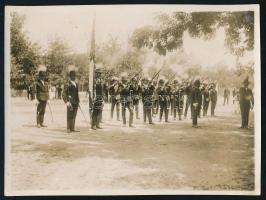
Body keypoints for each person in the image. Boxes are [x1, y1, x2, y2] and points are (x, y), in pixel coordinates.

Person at [62, 66, 80, 133]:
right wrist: (66, 102)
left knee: (74, 115)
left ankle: (72, 127)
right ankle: (68, 128)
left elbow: (76, 93)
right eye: (72, 76)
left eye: (75, 76)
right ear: (70, 76)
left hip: (76, 102)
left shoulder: (76, 84)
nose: (74, 77)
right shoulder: (67, 84)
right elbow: (63, 94)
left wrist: (78, 101)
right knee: (69, 115)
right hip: (70, 102)